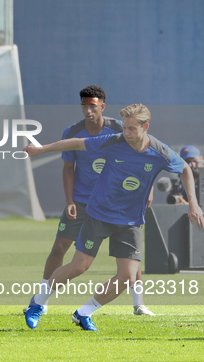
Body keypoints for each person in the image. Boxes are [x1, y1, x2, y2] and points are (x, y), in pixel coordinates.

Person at [23, 104, 204, 331]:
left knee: (127, 276)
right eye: (124, 128)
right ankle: (38, 303)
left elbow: (186, 169)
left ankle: (83, 313)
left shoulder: (160, 151)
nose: (125, 133)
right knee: (80, 266)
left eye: (131, 129)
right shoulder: (114, 141)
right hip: (99, 213)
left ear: (145, 127)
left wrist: (194, 205)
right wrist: (42, 149)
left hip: (131, 220)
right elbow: (77, 143)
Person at [23, 85, 155, 317]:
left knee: (131, 253)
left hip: (118, 203)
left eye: (92, 106)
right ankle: (41, 302)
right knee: (60, 248)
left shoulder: (121, 129)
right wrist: (69, 200)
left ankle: (139, 303)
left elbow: (144, 157)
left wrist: (148, 190)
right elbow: (68, 168)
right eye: (84, 106)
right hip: (83, 202)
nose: (87, 110)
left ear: (102, 106)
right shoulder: (73, 131)